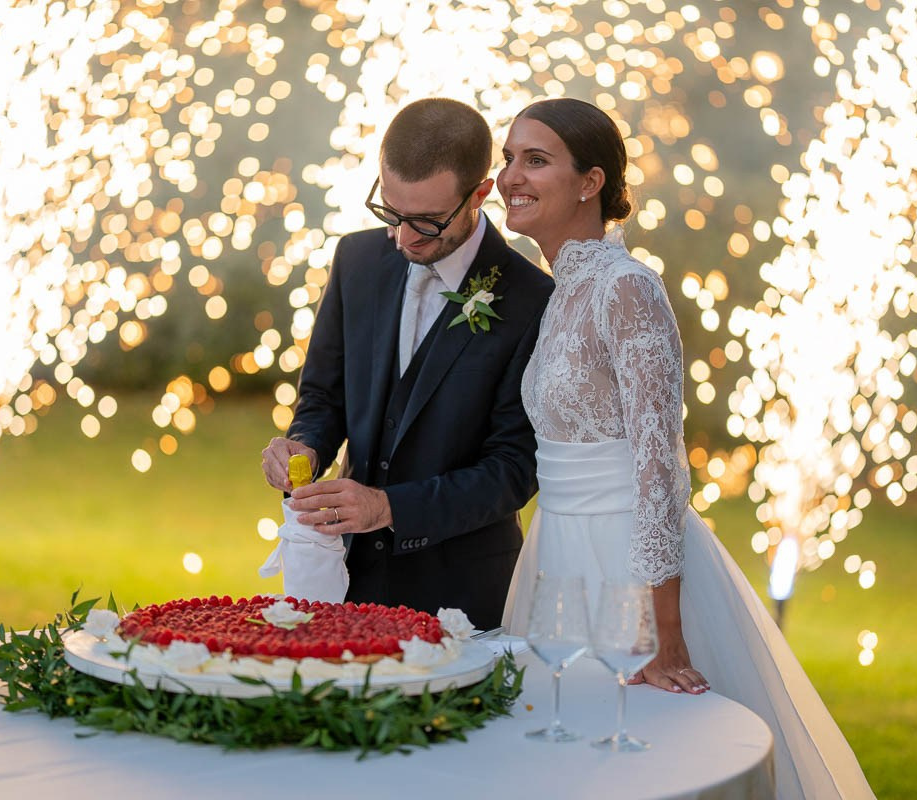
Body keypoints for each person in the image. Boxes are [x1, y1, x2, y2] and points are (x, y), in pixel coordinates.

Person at [497, 98, 874, 799]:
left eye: (535, 159)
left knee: (644, 765)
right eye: (507, 158)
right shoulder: (561, 290)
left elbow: (657, 467)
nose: (509, 176)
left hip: (627, 567)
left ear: (591, 182)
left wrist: (662, 630)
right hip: (557, 559)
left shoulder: (627, 288)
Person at [260, 98, 554, 630]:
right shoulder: (357, 259)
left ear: (480, 194)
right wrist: (304, 444)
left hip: (462, 598)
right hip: (345, 586)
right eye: (391, 213)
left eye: (426, 221)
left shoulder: (534, 299)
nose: (403, 238)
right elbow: (324, 398)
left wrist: (388, 507)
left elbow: (514, 469)